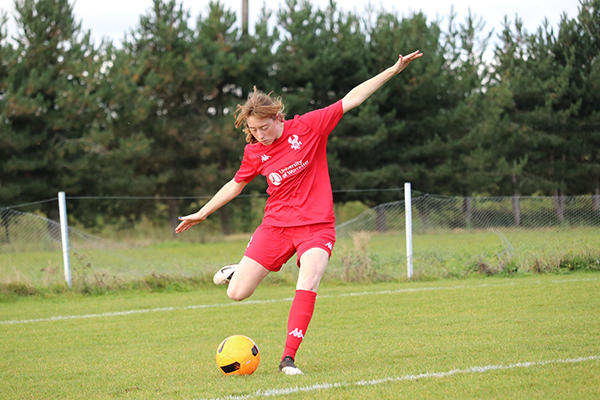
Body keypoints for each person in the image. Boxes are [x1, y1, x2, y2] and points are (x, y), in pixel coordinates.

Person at [175, 50, 423, 375]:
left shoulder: (309, 127)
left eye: (264, 127)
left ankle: (287, 359)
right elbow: (235, 184)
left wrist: (393, 69)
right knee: (237, 294)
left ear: (278, 118)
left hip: (317, 226)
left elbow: (352, 99)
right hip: (276, 227)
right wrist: (202, 213)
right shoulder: (254, 152)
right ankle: (239, 270)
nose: (259, 135)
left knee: (311, 274)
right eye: (253, 129)